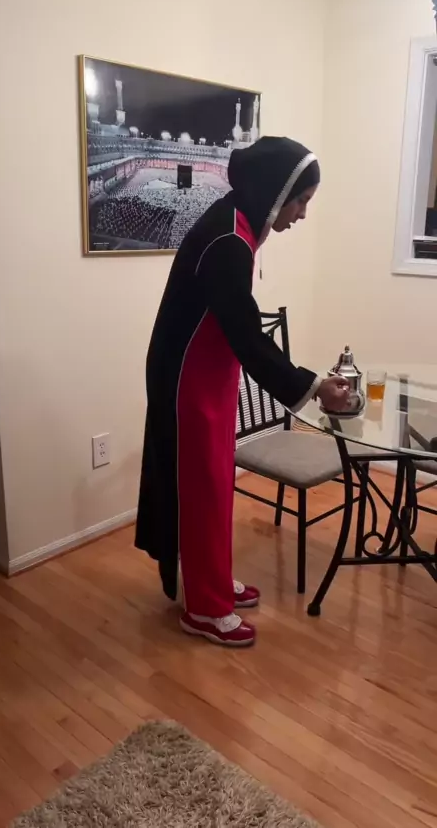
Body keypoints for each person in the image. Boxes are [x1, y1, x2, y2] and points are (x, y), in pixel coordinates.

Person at [135, 136, 349, 648]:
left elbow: (235, 329)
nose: (302, 214)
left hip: (209, 372)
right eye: (301, 201)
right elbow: (247, 333)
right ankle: (204, 610)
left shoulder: (238, 226)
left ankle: (211, 577)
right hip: (188, 379)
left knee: (214, 484)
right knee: (201, 488)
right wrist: (313, 385)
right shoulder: (229, 238)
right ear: (276, 191)